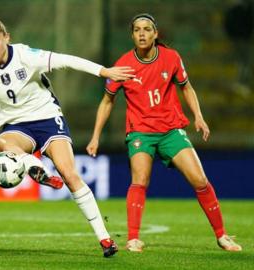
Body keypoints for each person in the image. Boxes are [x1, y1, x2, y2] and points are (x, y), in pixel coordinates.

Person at [0, 14, 135, 257]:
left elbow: (65, 60)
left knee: (70, 175)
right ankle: (31, 164)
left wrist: (103, 71)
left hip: (47, 118)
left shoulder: (26, 55)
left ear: (6, 37)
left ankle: (104, 239)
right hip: (15, 125)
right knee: (3, 142)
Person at [86, 13, 242, 252]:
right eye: (137, 29)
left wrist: (198, 116)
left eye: (147, 29)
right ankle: (133, 238)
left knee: (200, 180)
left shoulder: (171, 58)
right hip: (140, 133)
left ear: (155, 33)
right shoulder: (123, 65)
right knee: (139, 180)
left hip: (171, 130)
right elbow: (107, 101)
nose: (141, 33)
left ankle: (222, 236)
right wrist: (96, 136)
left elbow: (187, 88)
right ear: (132, 34)